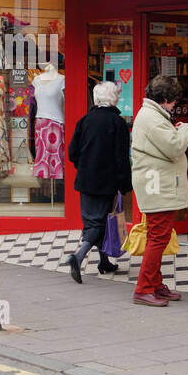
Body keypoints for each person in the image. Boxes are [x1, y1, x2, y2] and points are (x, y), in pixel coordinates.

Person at [129, 75, 188, 307]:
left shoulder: (152, 115)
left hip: (157, 183)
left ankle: (154, 284)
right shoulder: (152, 118)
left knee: (160, 235)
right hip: (157, 185)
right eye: (174, 102)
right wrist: (185, 128)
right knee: (158, 237)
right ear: (165, 99)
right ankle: (144, 288)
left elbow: (166, 143)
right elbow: (175, 147)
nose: (175, 106)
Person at [63, 80, 132, 283]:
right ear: (112, 98)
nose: (119, 97)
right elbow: (121, 157)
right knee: (100, 223)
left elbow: (72, 152)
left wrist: (84, 166)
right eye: (117, 94)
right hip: (106, 182)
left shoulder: (85, 120)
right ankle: (77, 256)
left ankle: (104, 262)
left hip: (85, 179)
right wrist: (124, 183)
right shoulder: (117, 123)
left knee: (92, 221)